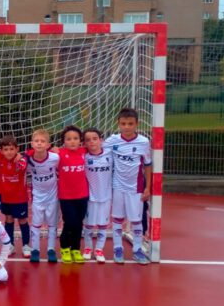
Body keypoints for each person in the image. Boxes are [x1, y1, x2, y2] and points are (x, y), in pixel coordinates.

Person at [104, 108, 152, 265]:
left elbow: (148, 165)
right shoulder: (112, 141)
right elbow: (95, 148)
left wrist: (148, 188)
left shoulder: (143, 142)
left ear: (137, 124)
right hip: (117, 186)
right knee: (117, 219)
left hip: (136, 188)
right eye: (123, 123)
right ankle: (118, 249)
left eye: (130, 124)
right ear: (118, 124)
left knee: (136, 221)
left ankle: (137, 250)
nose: (127, 127)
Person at [25, 129, 60, 263]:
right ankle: (35, 249)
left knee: (52, 224)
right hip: (37, 197)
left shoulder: (55, 158)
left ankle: (51, 249)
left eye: (42, 141)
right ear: (32, 144)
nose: (39, 143)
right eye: (37, 141)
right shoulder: (28, 160)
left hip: (52, 196)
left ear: (48, 145)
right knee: (36, 224)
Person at [56, 125, 89, 264]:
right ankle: (64, 248)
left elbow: (100, 146)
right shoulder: (59, 153)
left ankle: (75, 249)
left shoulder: (84, 151)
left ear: (80, 140)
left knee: (79, 223)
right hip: (66, 196)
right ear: (63, 141)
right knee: (70, 222)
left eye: (75, 138)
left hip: (82, 195)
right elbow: (38, 152)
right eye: (68, 139)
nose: (72, 141)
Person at [81, 128, 113, 263]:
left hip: (106, 196)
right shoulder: (84, 157)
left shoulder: (110, 153)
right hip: (90, 198)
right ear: (84, 143)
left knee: (102, 225)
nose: (92, 142)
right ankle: (88, 248)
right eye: (88, 140)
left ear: (101, 140)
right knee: (88, 225)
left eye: (95, 139)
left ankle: (99, 249)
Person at [0, 135, 31, 258]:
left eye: (12, 149)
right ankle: (10, 245)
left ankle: (26, 245)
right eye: (6, 149)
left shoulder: (21, 160)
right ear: (1, 151)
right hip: (6, 198)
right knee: (8, 219)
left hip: (20, 198)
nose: (9, 152)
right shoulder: (0, 161)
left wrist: (23, 157)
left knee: (22, 220)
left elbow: (28, 157)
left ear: (17, 149)